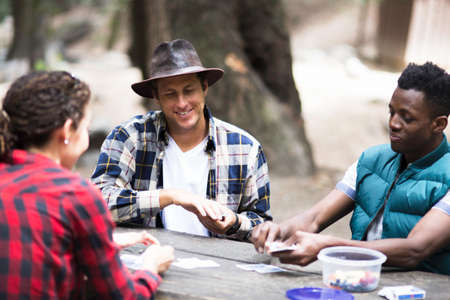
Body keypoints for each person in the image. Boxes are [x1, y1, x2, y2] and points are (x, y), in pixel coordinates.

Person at [251, 62, 450, 275]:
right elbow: (314, 218)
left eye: (407, 117)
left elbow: (416, 249)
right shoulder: (371, 161)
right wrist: (277, 231)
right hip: (359, 281)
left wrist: (327, 246)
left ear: (438, 124)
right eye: (391, 112)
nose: (393, 123)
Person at [0, 71, 174, 299]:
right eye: (86, 128)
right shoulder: (75, 194)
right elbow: (124, 296)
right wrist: (150, 266)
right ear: (66, 131)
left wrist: (101, 242)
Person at [91, 39, 271, 241]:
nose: (182, 103)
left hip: (221, 266)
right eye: (170, 94)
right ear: (156, 97)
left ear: (204, 88)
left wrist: (234, 223)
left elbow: (263, 224)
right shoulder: (129, 137)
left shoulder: (245, 148)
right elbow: (96, 204)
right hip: (149, 258)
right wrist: (169, 197)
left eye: (189, 90)